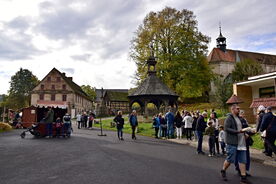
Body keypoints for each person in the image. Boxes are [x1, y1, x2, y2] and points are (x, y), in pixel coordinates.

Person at [220, 104, 249, 184]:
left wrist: (245, 133)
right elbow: (226, 128)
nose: (239, 110)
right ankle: (223, 170)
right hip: (232, 142)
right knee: (230, 159)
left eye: (239, 109)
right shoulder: (229, 118)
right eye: (237, 109)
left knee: (242, 160)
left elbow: (240, 128)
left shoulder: (239, 118)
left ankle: (243, 178)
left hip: (241, 142)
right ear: (232, 109)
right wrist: (238, 132)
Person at [235, 110, 255, 177]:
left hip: (245, 141)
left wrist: (251, 132)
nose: (243, 115)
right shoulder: (238, 121)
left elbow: (247, 129)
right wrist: (246, 133)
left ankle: (244, 171)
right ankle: (239, 170)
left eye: (244, 113)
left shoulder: (244, 120)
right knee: (241, 156)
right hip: (240, 141)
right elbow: (238, 131)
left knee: (246, 156)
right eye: (242, 113)